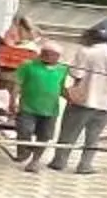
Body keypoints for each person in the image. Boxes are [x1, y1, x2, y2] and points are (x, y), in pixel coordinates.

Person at [53, 31, 107, 174]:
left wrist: (69, 92)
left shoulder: (86, 52)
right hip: (106, 104)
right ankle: (85, 165)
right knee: (93, 138)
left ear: (91, 40)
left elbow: (77, 74)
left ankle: (59, 162)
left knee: (69, 134)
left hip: (83, 101)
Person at [12, 44, 66, 173]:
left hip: (50, 109)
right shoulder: (28, 65)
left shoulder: (63, 69)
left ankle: (35, 161)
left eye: (52, 54)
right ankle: (24, 150)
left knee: (45, 136)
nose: (48, 55)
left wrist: (73, 98)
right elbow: (18, 84)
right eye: (45, 52)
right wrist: (12, 100)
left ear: (58, 57)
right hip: (28, 106)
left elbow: (62, 88)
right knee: (25, 130)